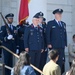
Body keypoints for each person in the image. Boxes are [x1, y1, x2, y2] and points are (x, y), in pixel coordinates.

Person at [46, 8, 67, 74]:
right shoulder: (50, 23)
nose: (60, 15)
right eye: (58, 14)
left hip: (61, 46)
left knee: (61, 62)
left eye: (60, 14)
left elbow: (64, 34)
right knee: (54, 61)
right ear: (55, 15)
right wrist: (48, 43)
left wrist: (65, 43)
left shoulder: (63, 24)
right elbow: (47, 34)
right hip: (54, 46)